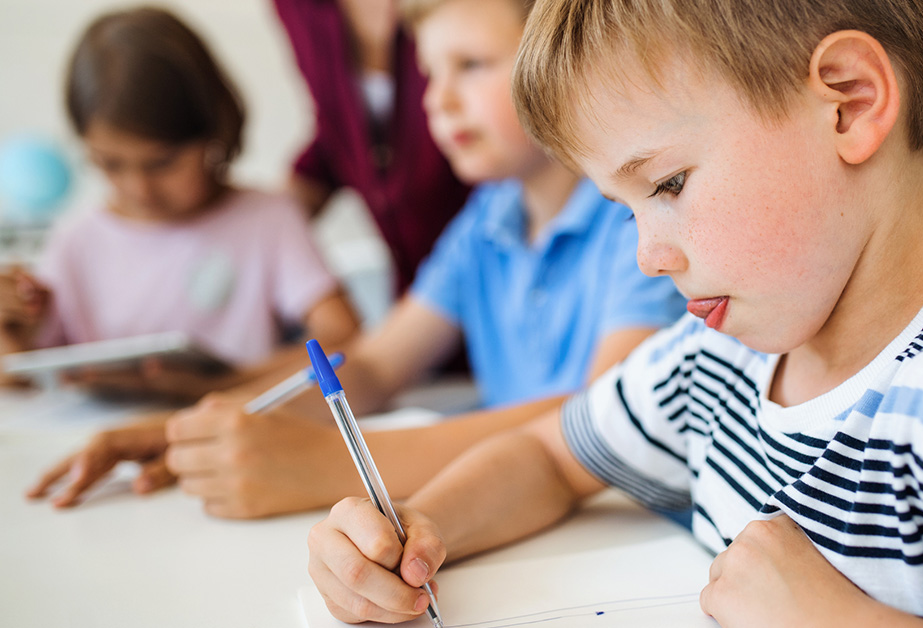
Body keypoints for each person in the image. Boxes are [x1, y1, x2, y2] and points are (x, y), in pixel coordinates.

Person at [305, 0, 923, 626]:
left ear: (848, 101)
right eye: (625, 209)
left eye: (667, 185)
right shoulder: (714, 356)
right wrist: (422, 527)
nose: (648, 255)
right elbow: (550, 456)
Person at [26, 0, 684, 520]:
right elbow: (368, 366)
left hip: (621, 526)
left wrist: (323, 464)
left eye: (472, 65)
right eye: (430, 72)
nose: (437, 99)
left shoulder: (630, 218)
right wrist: (191, 427)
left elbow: (598, 416)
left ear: (557, 63)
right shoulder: (484, 221)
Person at [0, 7, 358, 401]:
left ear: (213, 131)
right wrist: (11, 333)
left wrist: (225, 382)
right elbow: (17, 379)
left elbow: (344, 337)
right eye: (110, 163)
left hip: (233, 437)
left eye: (161, 163)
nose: (139, 188)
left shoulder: (267, 220)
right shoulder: (75, 243)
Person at [272, 0, 470, 297]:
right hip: (417, 287)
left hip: (489, 253)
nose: (437, 101)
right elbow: (337, 131)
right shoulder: (297, 7)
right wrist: (263, 221)